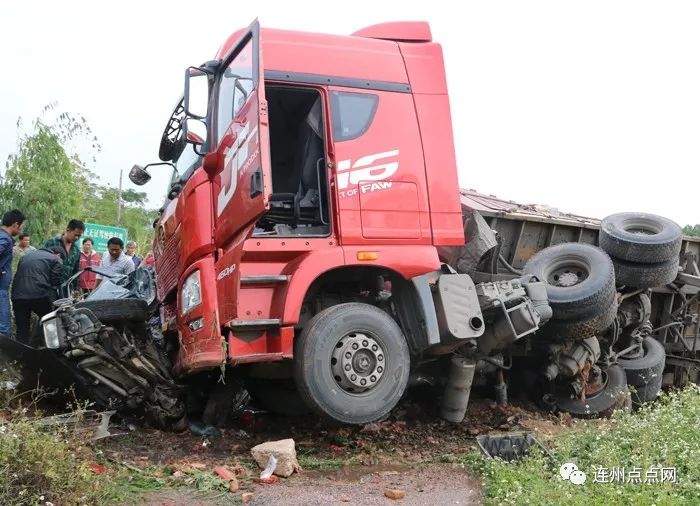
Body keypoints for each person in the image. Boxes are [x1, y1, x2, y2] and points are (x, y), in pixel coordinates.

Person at [11, 247, 63, 346]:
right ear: (58, 254)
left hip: (18, 295)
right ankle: (43, 347)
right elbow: (55, 281)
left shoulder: (25, 257)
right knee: (48, 320)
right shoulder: (55, 259)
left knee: (22, 327)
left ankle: (20, 354)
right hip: (39, 294)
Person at [0, 209, 25, 337]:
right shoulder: (5, 239)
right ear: (15, 224)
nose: (21, 229)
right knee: (4, 329)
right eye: (21, 226)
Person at [44, 219, 85, 283]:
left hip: (65, 289)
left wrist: (75, 288)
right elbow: (42, 263)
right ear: (68, 229)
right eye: (75, 235)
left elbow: (76, 271)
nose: (77, 238)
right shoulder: (52, 243)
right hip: (49, 285)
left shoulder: (76, 250)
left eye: (79, 236)